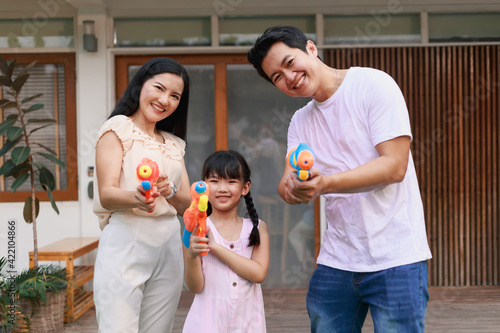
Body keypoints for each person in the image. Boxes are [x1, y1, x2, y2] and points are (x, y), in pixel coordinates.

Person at [247, 26, 432, 333]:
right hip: (337, 260)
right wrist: (295, 188)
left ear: (310, 48)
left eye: (289, 63)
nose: (288, 77)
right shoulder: (300, 121)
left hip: (396, 257)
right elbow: (286, 185)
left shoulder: (373, 84)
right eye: (276, 77)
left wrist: (326, 183)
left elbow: (394, 167)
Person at [92, 57, 192, 333]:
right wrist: (136, 198)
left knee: (159, 328)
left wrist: (170, 191)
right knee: (118, 327)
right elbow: (106, 193)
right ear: (140, 86)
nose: (165, 100)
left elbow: (188, 205)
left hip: (169, 242)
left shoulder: (174, 143)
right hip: (127, 237)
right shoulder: (118, 128)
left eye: (175, 96)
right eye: (159, 88)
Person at [182, 150, 270, 333]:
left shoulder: (257, 228)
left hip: (247, 326)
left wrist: (214, 247)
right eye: (214, 181)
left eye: (231, 181)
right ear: (203, 186)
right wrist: (191, 255)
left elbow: (258, 273)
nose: (222, 188)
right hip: (205, 325)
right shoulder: (194, 228)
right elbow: (195, 286)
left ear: (245, 187)